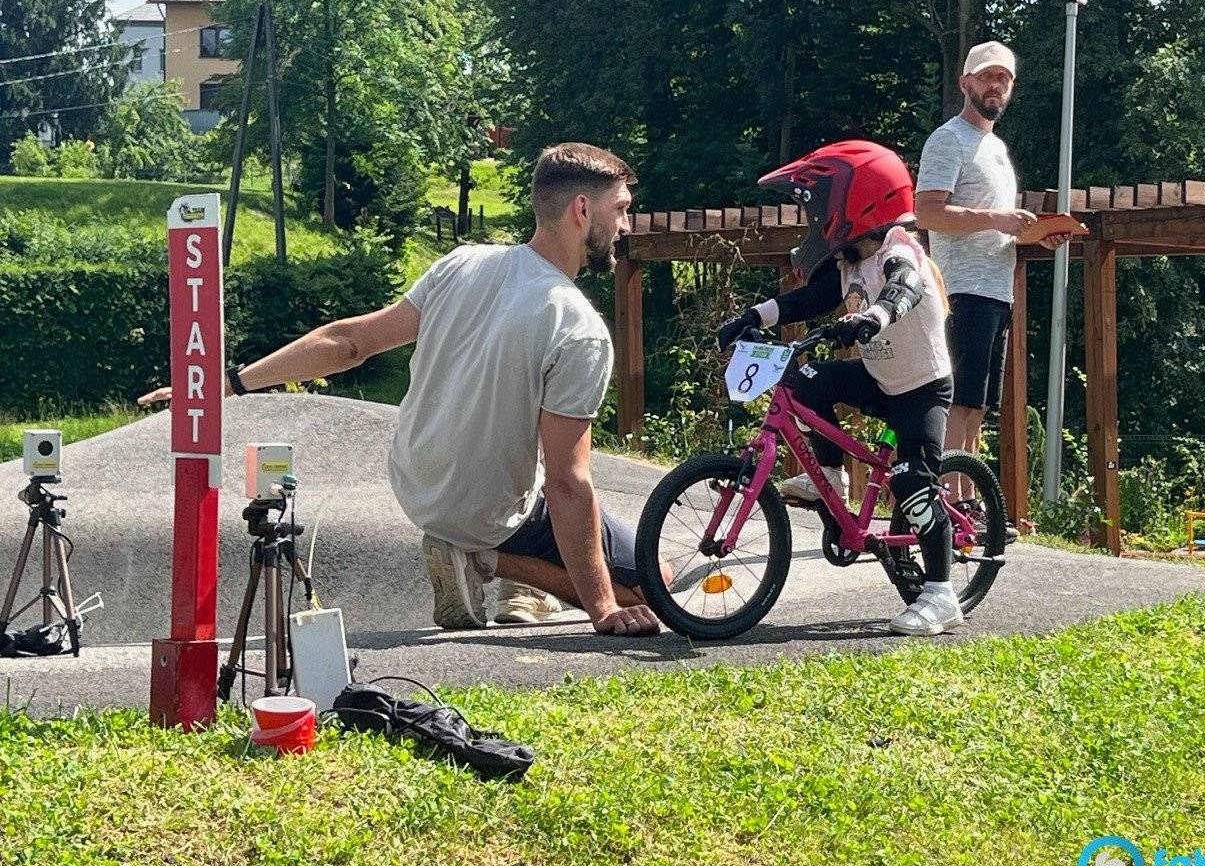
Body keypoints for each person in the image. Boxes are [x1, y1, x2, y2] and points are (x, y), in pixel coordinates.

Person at [140, 143, 662, 637]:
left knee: (559, 511)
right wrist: (603, 608)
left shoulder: (463, 263)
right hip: (487, 510)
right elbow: (569, 482)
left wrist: (228, 383)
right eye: (620, 209)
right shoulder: (579, 328)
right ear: (581, 210)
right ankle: (489, 561)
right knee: (653, 588)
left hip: (417, 483)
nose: (625, 224)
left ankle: (509, 575)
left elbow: (349, 343)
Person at [716, 140, 961, 637]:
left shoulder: (898, 247)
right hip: (878, 377)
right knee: (803, 379)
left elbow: (904, 287)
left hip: (921, 388)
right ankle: (830, 474)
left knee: (911, 485)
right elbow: (810, 298)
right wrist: (752, 317)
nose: (818, 218)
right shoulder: (849, 259)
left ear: (862, 200)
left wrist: (875, 316)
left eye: (824, 205)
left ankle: (941, 594)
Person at [914, 40, 1070, 518]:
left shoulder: (997, 149)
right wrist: (999, 219)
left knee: (979, 404)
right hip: (960, 289)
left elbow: (997, 228)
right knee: (958, 400)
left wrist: (1037, 237)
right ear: (965, 82)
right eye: (986, 76)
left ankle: (968, 500)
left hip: (996, 290)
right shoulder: (947, 140)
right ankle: (948, 500)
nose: (995, 85)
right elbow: (927, 213)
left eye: (1003, 78)